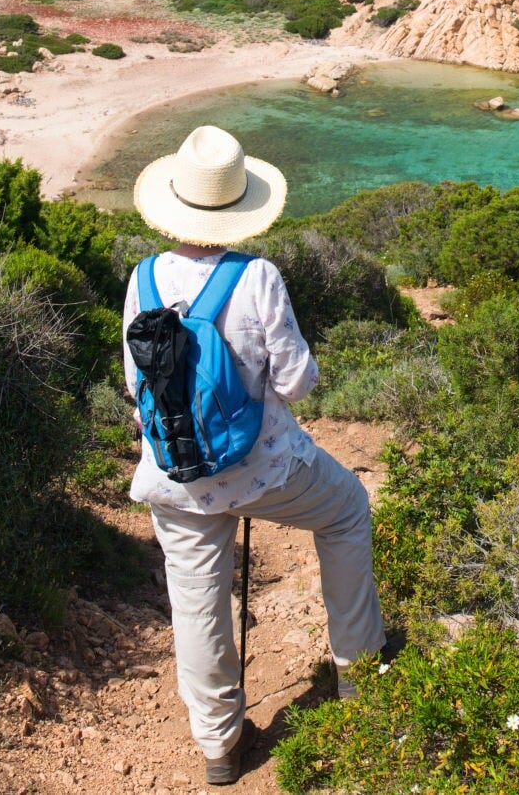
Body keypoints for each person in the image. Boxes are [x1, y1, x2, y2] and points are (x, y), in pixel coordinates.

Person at [124, 125, 386, 786]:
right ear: (239, 205)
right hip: (262, 469)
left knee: (196, 598)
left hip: (175, 474)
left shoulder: (143, 277)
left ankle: (218, 743)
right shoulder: (258, 275)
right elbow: (296, 382)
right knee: (347, 510)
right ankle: (359, 672)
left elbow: (134, 384)